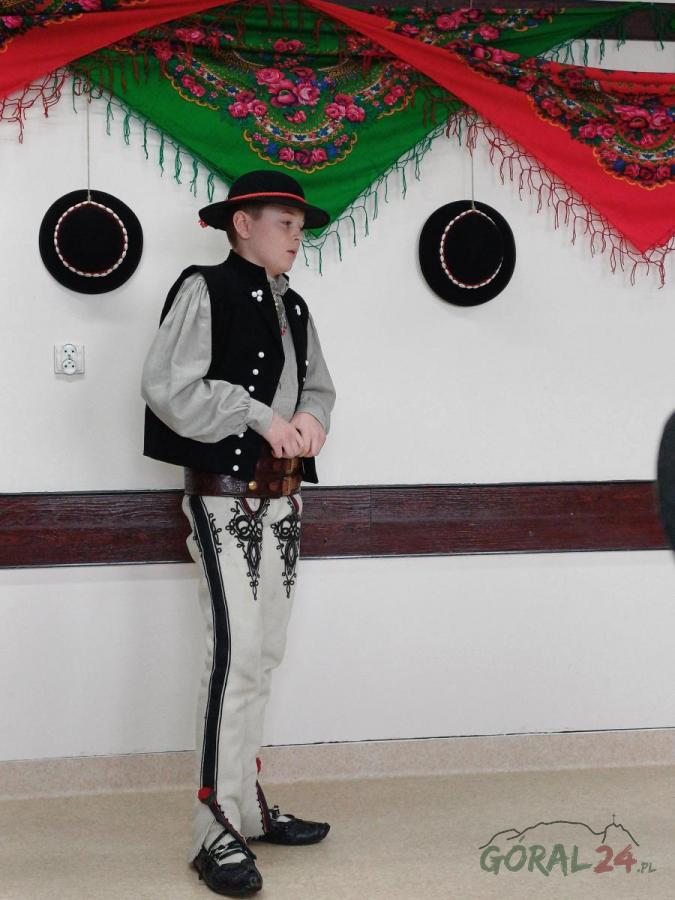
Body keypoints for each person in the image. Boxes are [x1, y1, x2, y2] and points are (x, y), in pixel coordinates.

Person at [141, 170, 337, 897]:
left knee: (263, 652)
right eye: (285, 223)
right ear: (242, 224)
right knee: (234, 651)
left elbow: (318, 387)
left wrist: (312, 417)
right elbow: (169, 386)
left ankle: (246, 809)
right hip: (223, 498)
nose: (296, 237)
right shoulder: (205, 289)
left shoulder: (296, 305)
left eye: (300, 227)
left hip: (282, 500)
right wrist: (257, 414)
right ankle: (213, 827)